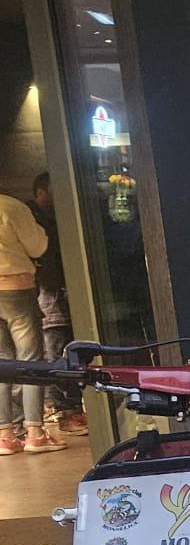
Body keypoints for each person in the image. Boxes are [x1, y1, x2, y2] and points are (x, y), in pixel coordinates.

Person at [0, 189, 63, 455]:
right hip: (15, 288)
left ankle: (5, 435)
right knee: (29, 361)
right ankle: (35, 433)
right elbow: (38, 246)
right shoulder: (10, 207)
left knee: (2, 361)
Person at [27, 173, 85, 436]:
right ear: (41, 192)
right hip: (49, 292)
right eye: (53, 190)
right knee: (55, 348)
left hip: (55, 290)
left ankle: (67, 408)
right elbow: (45, 256)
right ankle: (63, 410)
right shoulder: (35, 219)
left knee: (61, 347)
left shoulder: (50, 217)